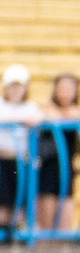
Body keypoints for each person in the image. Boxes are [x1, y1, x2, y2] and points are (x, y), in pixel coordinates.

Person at [38, 72, 80, 232]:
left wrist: (77, 113)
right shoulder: (46, 109)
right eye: (62, 88)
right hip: (47, 168)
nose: (65, 92)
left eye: (69, 88)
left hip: (67, 168)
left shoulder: (79, 110)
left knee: (65, 225)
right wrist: (67, 115)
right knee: (46, 226)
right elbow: (48, 116)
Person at [0, 65, 45, 241]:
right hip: (2, 159)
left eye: (19, 86)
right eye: (12, 86)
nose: (16, 90)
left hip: (20, 160)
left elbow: (39, 117)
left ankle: (14, 236)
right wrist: (21, 120)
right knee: (3, 205)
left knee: (19, 205)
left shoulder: (31, 107)